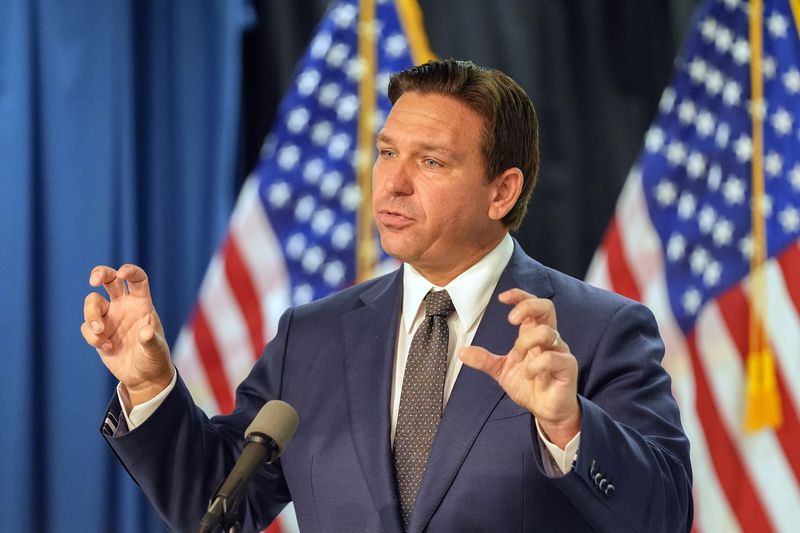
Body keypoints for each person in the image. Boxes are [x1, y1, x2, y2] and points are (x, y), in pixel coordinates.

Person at [82, 59, 692, 532]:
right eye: (386, 152)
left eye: (430, 162)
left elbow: (663, 515)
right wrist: (148, 386)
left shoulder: (596, 331)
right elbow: (215, 503)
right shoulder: (315, 336)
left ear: (502, 193)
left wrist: (568, 424)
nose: (392, 183)